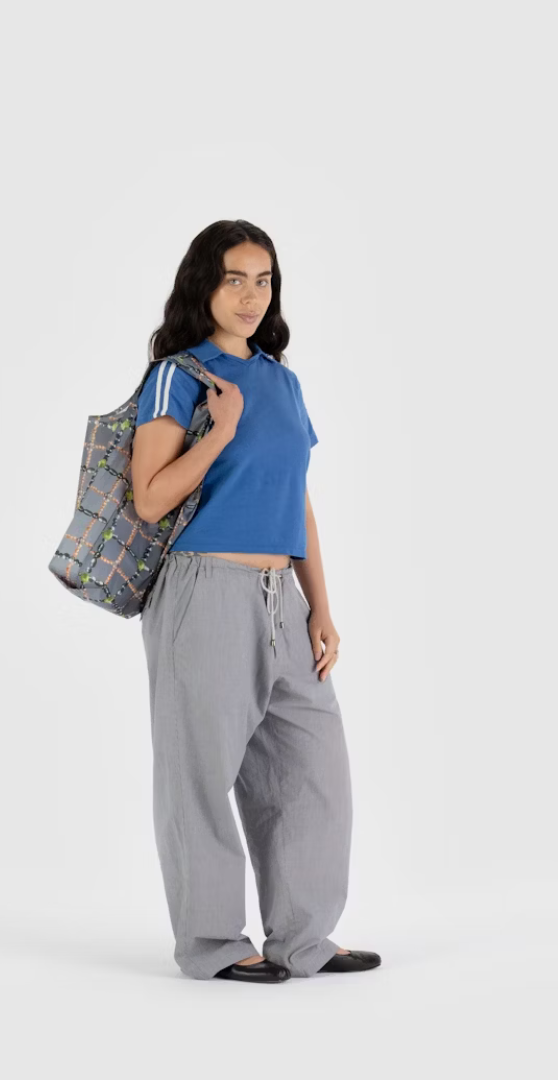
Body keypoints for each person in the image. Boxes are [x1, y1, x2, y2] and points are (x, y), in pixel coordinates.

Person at [130, 219, 380, 984]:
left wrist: (322, 609)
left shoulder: (282, 379)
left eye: (263, 279)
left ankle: (303, 937)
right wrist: (218, 432)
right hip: (204, 590)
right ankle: (211, 944)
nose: (249, 294)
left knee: (311, 772)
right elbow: (149, 498)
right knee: (199, 773)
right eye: (234, 277)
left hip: (284, 597)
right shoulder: (181, 376)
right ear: (204, 283)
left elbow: (296, 498)